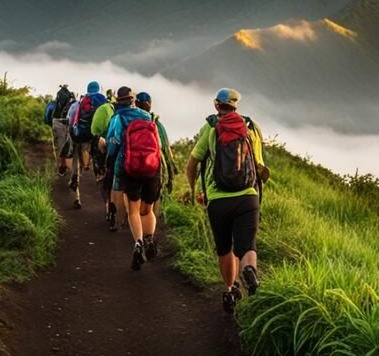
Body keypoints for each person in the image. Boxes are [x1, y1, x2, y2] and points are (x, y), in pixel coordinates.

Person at [185, 88, 269, 313]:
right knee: (247, 245)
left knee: (225, 249)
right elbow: (260, 166)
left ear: (216, 105)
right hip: (248, 198)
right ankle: (249, 270)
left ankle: (231, 289)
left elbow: (192, 164)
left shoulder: (210, 128)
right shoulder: (251, 128)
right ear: (236, 106)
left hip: (218, 200)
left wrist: (194, 192)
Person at [105, 86, 162, 270]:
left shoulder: (118, 118)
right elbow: (158, 144)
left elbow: (113, 144)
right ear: (132, 100)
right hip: (151, 167)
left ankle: (138, 244)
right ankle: (149, 238)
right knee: (148, 210)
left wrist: (108, 159)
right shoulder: (147, 117)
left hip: (129, 167)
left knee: (134, 210)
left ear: (118, 101)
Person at [134, 92, 178, 221]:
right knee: (154, 196)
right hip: (154, 165)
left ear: (136, 104)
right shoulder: (156, 123)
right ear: (150, 105)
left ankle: (135, 224)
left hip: (134, 165)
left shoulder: (130, 120)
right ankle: (151, 227)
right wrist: (171, 171)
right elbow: (165, 148)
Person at [67, 80, 108, 209]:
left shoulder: (78, 104)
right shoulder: (105, 104)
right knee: (101, 171)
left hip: (79, 138)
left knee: (75, 166)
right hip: (97, 140)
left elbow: (69, 120)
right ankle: (108, 207)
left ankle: (77, 197)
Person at [92, 93, 119, 229]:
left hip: (102, 150)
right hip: (119, 153)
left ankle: (108, 207)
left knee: (104, 182)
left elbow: (94, 130)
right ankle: (117, 210)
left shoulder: (101, 110)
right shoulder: (127, 114)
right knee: (115, 181)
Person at [49, 84, 75, 176]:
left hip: (57, 123)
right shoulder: (72, 104)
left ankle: (62, 166)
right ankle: (73, 168)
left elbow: (48, 116)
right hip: (68, 124)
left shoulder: (54, 104)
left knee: (61, 145)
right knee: (68, 146)